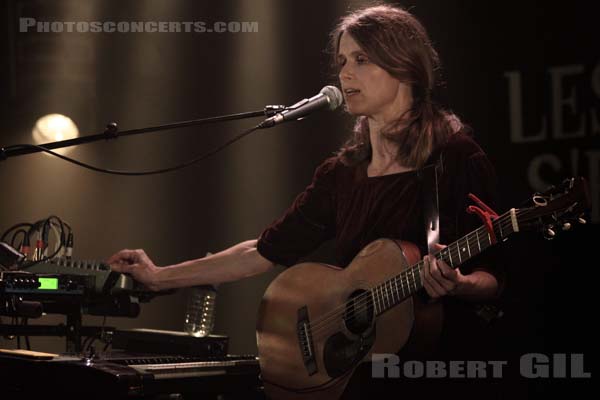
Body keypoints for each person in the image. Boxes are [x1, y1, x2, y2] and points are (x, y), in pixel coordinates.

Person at [109, 4, 504, 398]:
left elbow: (497, 275)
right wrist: (160, 276)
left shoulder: (454, 157)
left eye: (361, 59)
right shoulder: (342, 173)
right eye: (342, 61)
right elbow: (263, 251)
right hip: (360, 377)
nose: (345, 73)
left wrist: (462, 284)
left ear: (403, 66)